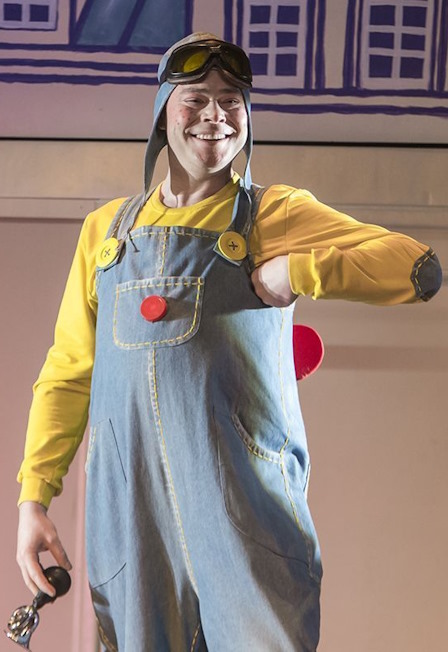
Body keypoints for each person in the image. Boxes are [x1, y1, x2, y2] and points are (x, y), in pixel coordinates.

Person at [16, 32, 442, 652]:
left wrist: (297, 271)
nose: (214, 114)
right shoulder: (103, 233)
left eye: (231, 100)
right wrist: (34, 497)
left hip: (245, 523)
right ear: (163, 113)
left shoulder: (273, 213)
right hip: (133, 524)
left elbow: (416, 268)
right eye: (195, 98)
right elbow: (67, 373)